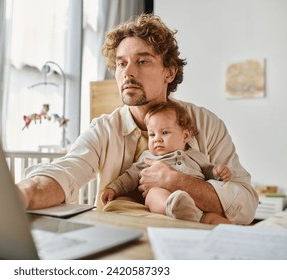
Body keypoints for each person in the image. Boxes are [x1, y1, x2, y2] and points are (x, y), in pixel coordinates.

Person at [17, 13, 258, 225]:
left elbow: (245, 206)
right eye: (121, 63)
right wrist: (19, 195)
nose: (128, 72)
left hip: (186, 237)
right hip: (120, 239)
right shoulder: (104, 129)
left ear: (169, 72)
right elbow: (64, 174)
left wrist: (175, 180)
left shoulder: (205, 124)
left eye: (142, 61)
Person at [101, 100, 232, 223]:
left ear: (185, 136)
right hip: (167, 202)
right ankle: (174, 207)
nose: (157, 139)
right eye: (152, 134)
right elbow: (130, 176)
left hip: (198, 206)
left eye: (164, 132)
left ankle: (239, 237)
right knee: (153, 194)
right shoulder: (148, 158)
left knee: (215, 219)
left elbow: (207, 170)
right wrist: (114, 188)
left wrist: (217, 172)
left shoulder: (195, 155)